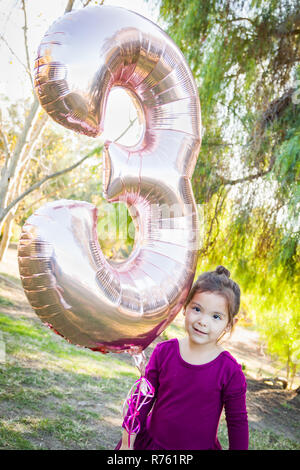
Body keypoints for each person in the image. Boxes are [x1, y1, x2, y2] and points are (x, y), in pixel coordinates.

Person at [116, 265, 248, 450]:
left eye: (216, 316)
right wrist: (127, 442)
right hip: (153, 446)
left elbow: (238, 422)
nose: (203, 321)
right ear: (185, 307)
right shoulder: (164, 352)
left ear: (228, 324)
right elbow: (142, 399)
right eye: (197, 309)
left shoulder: (230, 371)